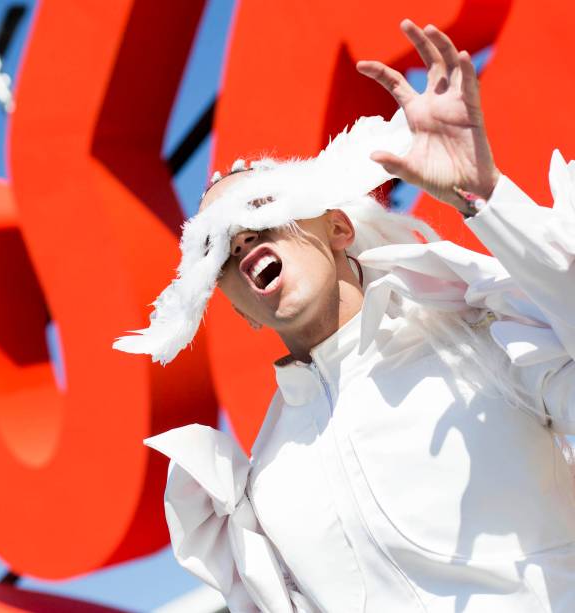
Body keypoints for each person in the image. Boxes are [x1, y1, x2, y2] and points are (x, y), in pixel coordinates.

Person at [113, 19, 575, 612]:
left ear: (338, 227)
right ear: (236, 306)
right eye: (223, 254)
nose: (243, 243)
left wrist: (480, 196)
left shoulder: (483, 338)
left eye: (263, 217)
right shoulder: (265, 486)